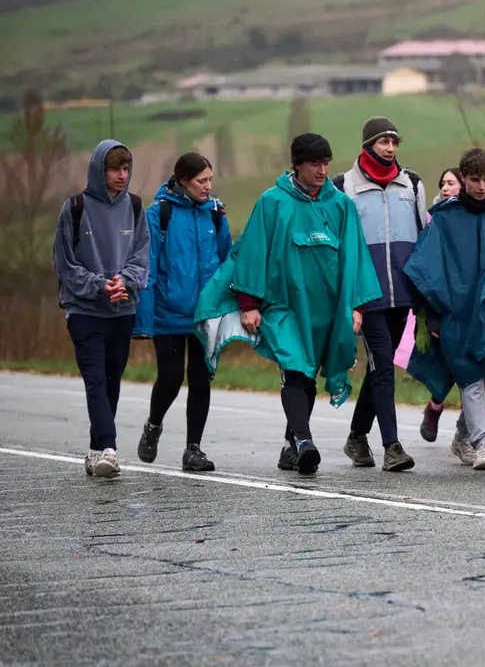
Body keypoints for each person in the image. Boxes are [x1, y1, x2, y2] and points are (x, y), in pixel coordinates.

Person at [194, 133, 382, 476]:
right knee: (295, 368)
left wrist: (358, 308)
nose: (323, 170)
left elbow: (356, 258)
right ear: (297, 164)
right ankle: (305, 441)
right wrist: (249, 303)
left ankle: (290, 444)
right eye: (315, 164)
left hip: (326, 311)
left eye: (326, 163)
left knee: (308, 375)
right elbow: (252, 252)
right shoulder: (272, 202)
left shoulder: (341, 206)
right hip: (284, 308)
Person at [403, 148, 485, 471]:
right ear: (463, 178)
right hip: (456, 312)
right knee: (469, 377)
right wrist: (433, 315)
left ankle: (463, 436)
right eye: (475, 179)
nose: (482, 186)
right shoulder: (444, 218)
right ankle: (483, 443)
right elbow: (424, 267)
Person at [53, 140, 150, 478]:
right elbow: (64, 263)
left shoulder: (136, 207)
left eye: (125, 169)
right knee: (95, 380)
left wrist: (126, 280)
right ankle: (109, 448)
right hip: (84, 312)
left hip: (123, 311)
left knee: (111, 382)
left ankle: (96, 451)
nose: (121, 176)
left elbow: (142, 257)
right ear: (99, 170)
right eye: (114, 169)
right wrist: (98, 284)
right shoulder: (75, 208)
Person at [334, 117, 422, 472]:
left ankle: (356, 436)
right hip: (366, 294)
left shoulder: (411, 183)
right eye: (384, 142)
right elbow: (341, 245)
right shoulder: (344, 186)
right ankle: (392, 446)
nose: (390, 148)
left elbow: (421, 235)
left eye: (394, 142)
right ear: (368, 145)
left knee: (379, 367)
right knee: (383, 364)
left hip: (402, 292)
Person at [134, 152, 231, 472]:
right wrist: (143, 320)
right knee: (172, 376)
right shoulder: (159, 212)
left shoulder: (215, 213)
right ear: (183, 181)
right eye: (202, 181)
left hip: (206, 314)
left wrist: (229, 307)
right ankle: (153, 425)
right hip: (168, 311)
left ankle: (194, 449)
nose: (208, 186)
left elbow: (226, 260)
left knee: (201, 379)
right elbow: (148, 268)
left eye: (210, 180)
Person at [418, 167, 468, 436]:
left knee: (472, 369)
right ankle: (435, 406)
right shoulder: (432, 220)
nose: (445, 188)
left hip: (470, 303)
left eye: (451, 183)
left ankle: (466, 429)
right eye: (442, 183)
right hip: (443, 303)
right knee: (449, 363)